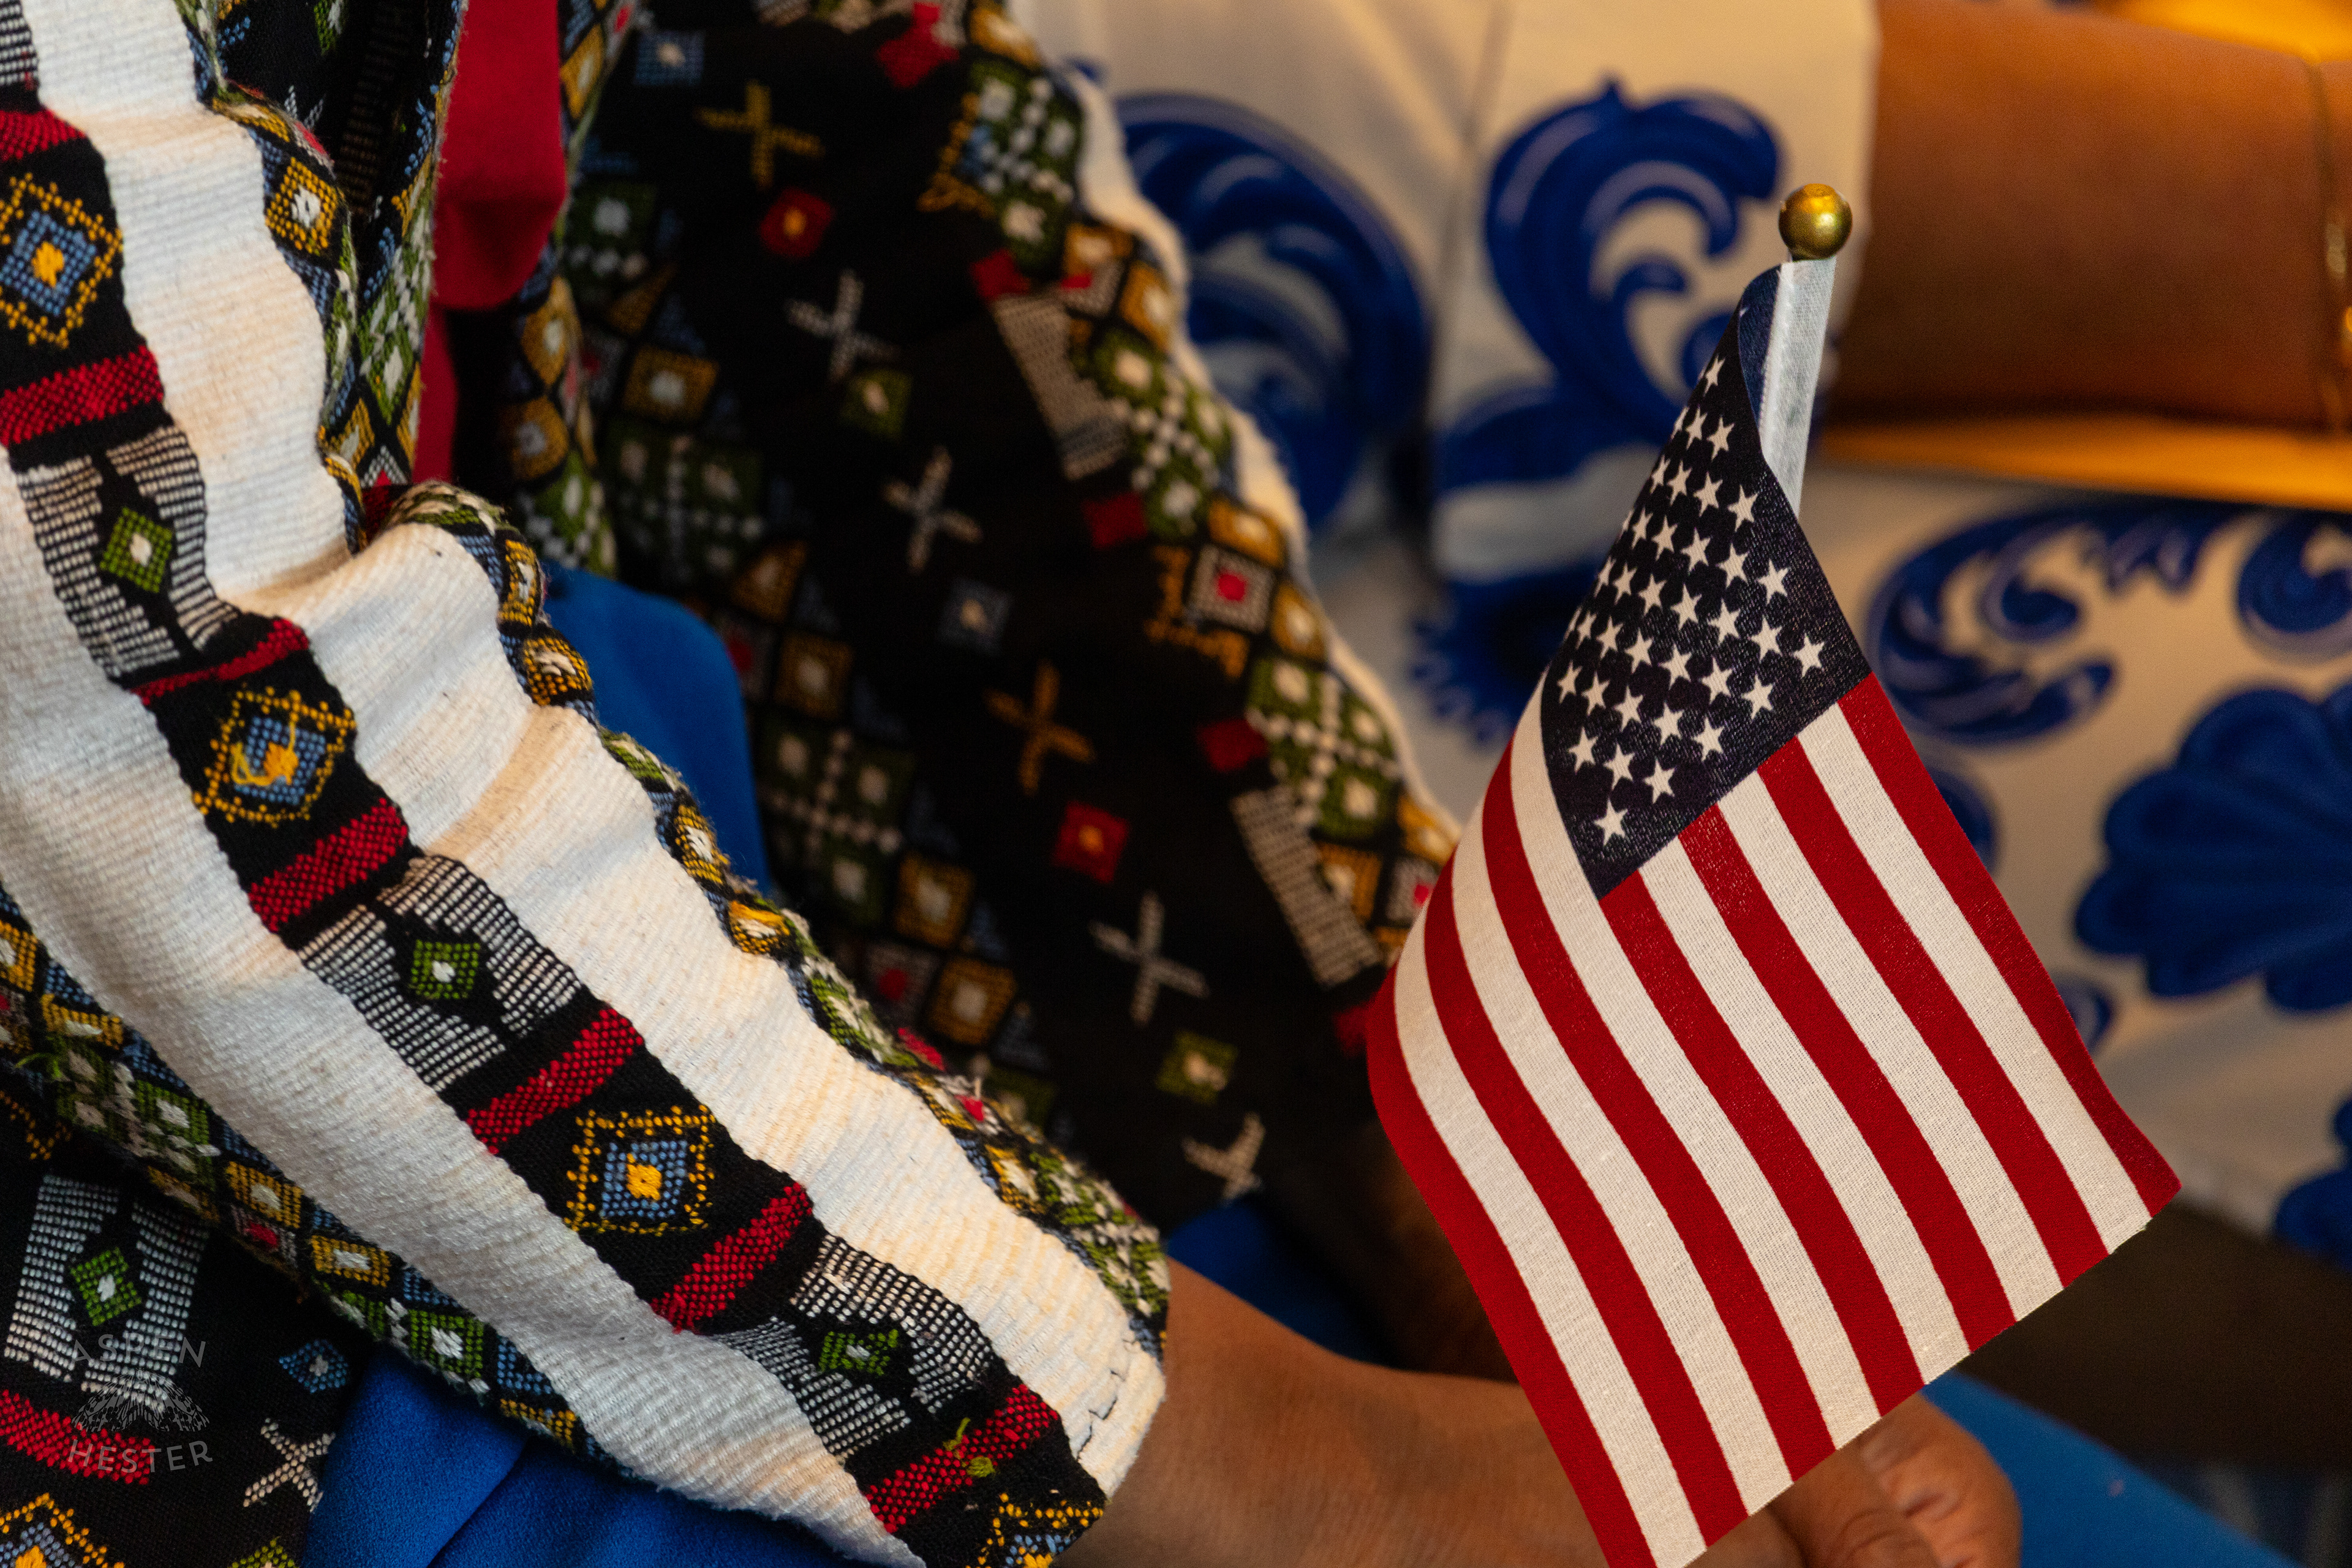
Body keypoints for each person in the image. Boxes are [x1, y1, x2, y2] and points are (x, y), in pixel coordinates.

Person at [0, 0, 2296, 1563]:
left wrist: (1397, 1112)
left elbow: (817, 150)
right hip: (214, 1354)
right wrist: (1239, 1454)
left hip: (762, 978)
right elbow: (141, 656)